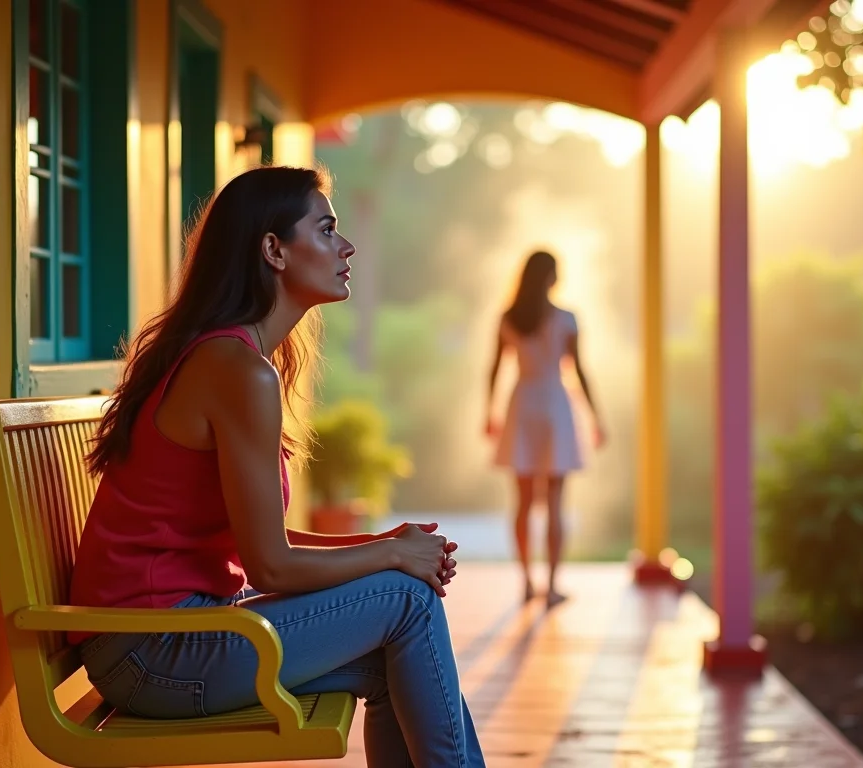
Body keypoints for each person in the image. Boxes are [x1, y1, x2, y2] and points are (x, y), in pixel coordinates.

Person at [70, 166, 485, 767]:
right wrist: (394, 558)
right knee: (409, 601)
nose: (346, 246)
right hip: (152, 652)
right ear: (273, 250)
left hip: (161, 641)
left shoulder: (230, 357)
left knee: (397, 646)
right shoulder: (236, 371)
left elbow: (261, 537)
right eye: (325, 230)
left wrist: (382, 540)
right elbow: (268, 564)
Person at [484, 250, 604, 608]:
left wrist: (488, 412)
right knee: (554, 501)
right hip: (555, 405)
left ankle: (526, 581)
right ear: (550, 277)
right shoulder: (567, 319)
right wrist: (596, 417)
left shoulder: (509, 318)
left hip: (522, 405)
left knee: (521, 502)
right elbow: (579, 371)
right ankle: (550, 586)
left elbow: (494, 368)